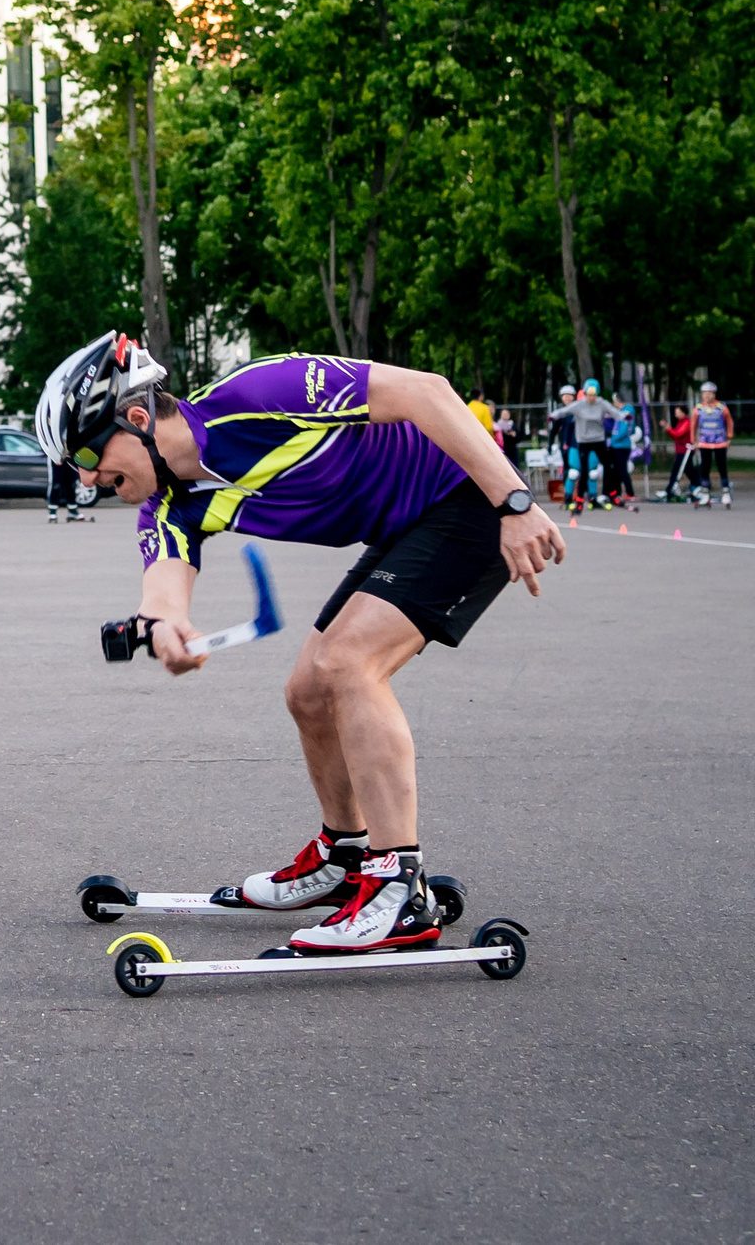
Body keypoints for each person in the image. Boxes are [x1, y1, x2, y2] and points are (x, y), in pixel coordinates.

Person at [39, 334, 566, 953]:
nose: (85, 476)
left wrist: (516, 504)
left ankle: (398, 886)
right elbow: (161, 600)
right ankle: (345, 857)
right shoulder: (168, 505)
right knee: (308, 692)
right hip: (405, 525)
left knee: (348, 663)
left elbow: (427, 392)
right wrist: (165, 632)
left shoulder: (261, 395)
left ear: (136, 418)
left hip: (471, 500)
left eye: (85, 452)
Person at [565, 379, 618, 518]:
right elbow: (566, 430)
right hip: (576, 446)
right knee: (574, 473)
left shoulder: (599, 409)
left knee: (593, 473)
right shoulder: (574, 411)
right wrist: (564, 445)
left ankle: (593, 499)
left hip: (594, 443)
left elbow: (606, 425)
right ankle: (568, 498)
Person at [691, 381, 735, 508]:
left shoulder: (722, 407)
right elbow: (693, 425)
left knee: (722, 467)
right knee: (704, 468)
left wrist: (729, 437)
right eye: (704, 393)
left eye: (709, 393)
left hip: (720, 443)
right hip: (705, 443)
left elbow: (729, 422)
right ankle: (705, 492)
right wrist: (694, 440)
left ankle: (726, 491)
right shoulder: (698, 408)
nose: (707, 396)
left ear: (714, 394)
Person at [666, 404, 699, 502]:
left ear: (683, 413)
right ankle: (698, 485)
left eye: (678, 412)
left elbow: (678, 434)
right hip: (680, 450)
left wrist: (668, 429)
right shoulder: (680, 423)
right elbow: (675, 435)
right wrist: (669, 430)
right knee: (689, 470)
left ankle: (669, 489)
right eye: (675, 413)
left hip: (685, 451)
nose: (676, 415)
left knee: (676, 470)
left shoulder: (687, 422)